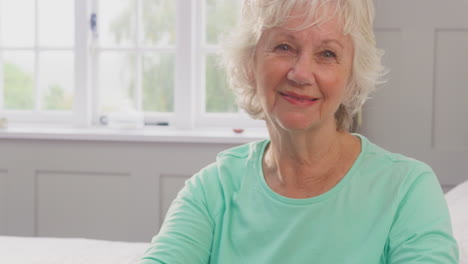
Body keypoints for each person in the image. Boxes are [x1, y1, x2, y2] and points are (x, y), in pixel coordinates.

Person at [140, 0, 459, 263]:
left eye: (328, 54)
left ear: (351, 76)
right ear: (251, 64)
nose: (301, 73)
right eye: (284, 46)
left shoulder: (408, 190)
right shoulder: (211, 191)